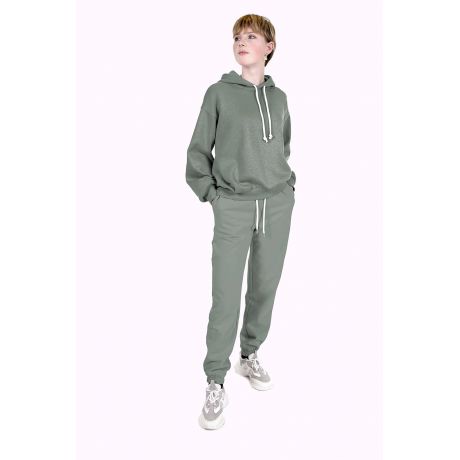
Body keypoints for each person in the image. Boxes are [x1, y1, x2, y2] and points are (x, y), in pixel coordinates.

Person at [185, 14, 296, 430]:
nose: (241, 41)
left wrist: (287, 188)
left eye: (251, 36)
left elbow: (283, 147)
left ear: (269, 47)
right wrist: (212, 194)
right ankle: (215, 379)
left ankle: (249, 355)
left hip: (276, 204)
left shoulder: (279, 98)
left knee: (265, 287)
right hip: (232, 205)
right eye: (236, 37)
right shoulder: (218, 93)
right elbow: (198, 151)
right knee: (226, 296)